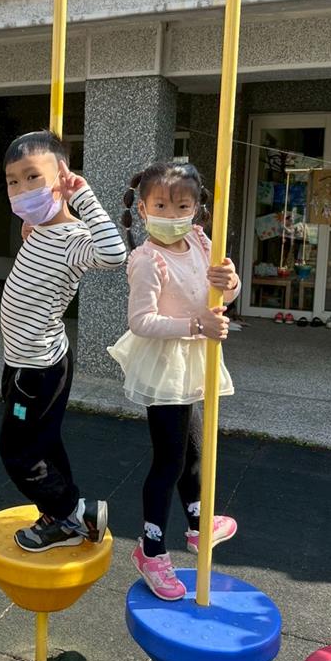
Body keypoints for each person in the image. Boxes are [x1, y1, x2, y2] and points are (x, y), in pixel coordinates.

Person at [108, 161, 239, 601]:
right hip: (166, 363)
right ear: (143, 209)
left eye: (182, 206)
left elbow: (221, 293)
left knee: (194, 453)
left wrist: (231, 282)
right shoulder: (147, 259)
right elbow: (141, 320)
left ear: (196, 209)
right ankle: (151, 549)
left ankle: (200, 524)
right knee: (169, 460)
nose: (172, 214)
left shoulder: (201, 241)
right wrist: (197, 326)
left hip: (192, 359)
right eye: (161, 206)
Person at [0, 130, 127, 552]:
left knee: (18, 453)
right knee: (45, 444)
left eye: (33, 177)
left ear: (62, 178)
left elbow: (114, 255)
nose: (22, 189)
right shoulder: (37, 229)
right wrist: (33, 224)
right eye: (13, 181)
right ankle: (59, 519)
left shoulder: (73, 239)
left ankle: (75, 511)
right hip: (20, 362)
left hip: (38, 369)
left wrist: (83, 196)